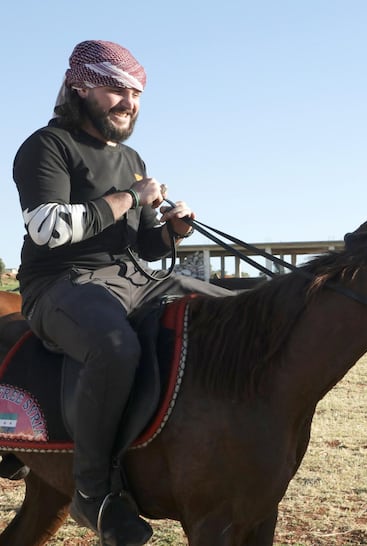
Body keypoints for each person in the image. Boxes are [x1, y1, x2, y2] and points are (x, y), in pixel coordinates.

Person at [12, 40, 232, 546]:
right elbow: (48, 229)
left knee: (232, 313)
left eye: (135, 92)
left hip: (135, 280)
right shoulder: (47, 146)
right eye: (115, 89)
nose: (128, 101)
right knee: (114, 346)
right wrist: (132, 196)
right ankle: (94, 492)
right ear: (79, 87)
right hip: (61, 285)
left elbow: (141, 247)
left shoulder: (131, 157)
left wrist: (171, 231)